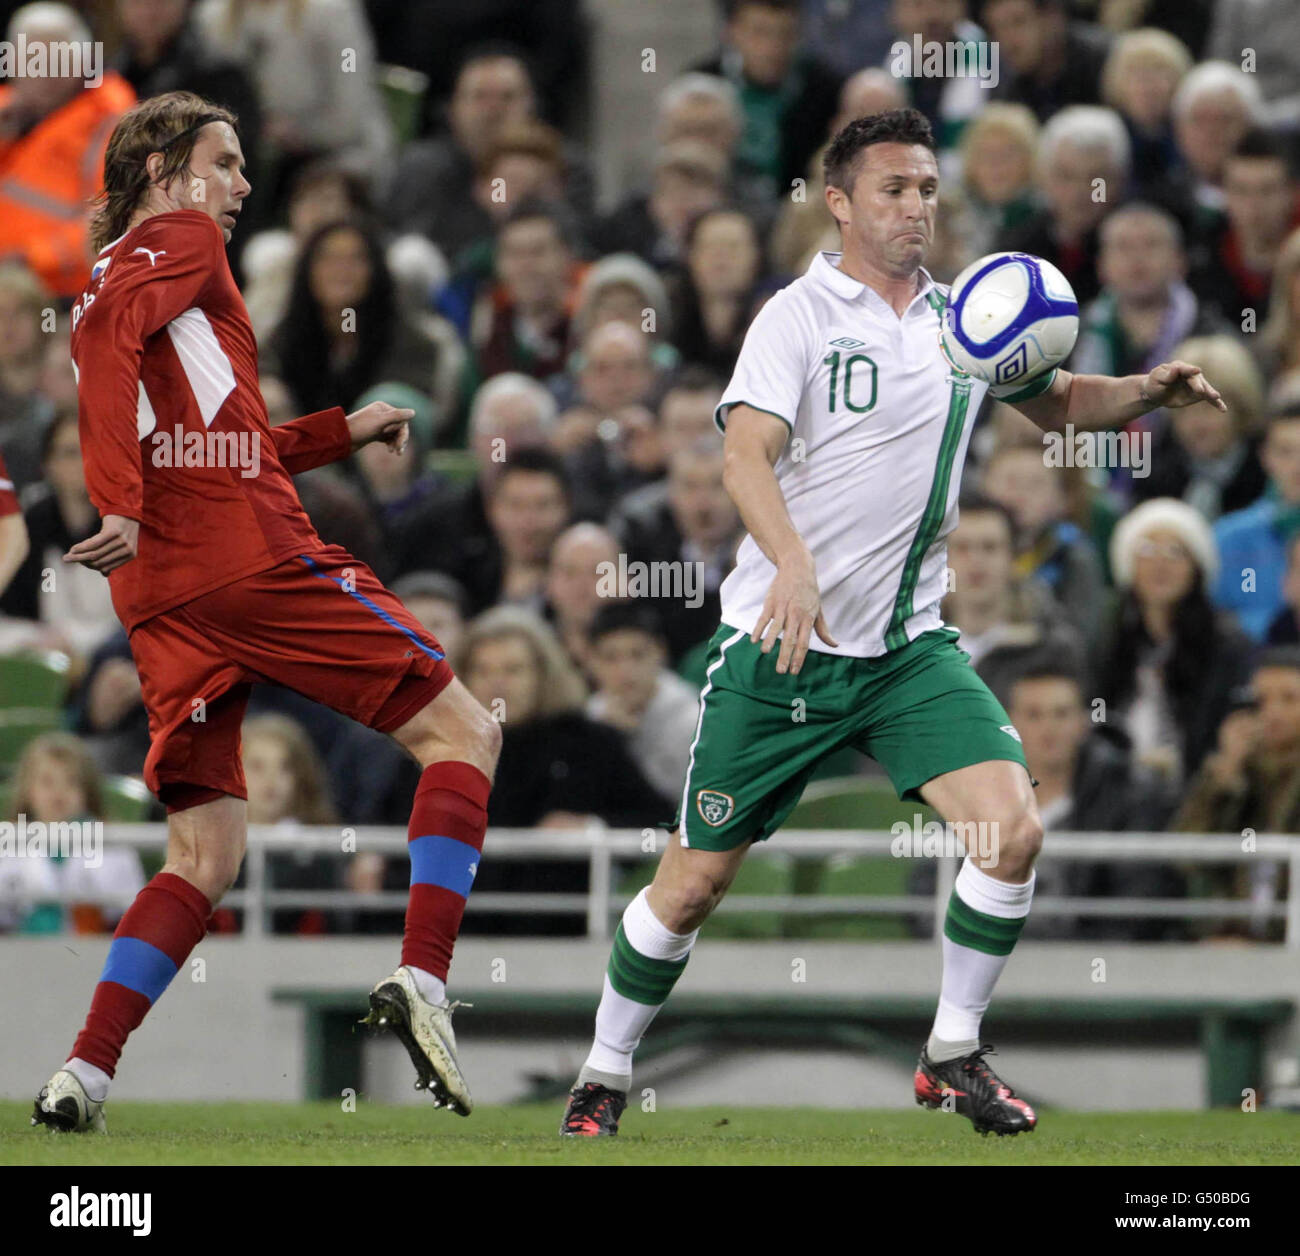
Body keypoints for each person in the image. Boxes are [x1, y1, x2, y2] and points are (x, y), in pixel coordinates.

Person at [560, 107, 1224, 1139]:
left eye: (925, 188)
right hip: (784, 650)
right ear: (839, 201)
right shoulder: (797, 316)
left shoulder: (965, 319)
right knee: (691, 884)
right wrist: (790, 563)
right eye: (892, 189)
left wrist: (1145, 390)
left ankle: (950, 1053)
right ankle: (601, 1070)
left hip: (908, 648)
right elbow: (743, 453)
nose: (916, 206)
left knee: (1009, 831)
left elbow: (1052, 402)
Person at [32, 91, 501, 1135]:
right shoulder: (179, 239)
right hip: (243, 557)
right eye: (226, 162)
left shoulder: (122, 271)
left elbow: (210, 440)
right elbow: (114, 350)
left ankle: (84, 1072)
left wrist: (341, 429)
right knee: (465, 728)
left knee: (204, 854)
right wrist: (111, 493)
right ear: (163, 170)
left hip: (162, 594)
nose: (244, 186)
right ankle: (426, 976)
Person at [1092, 498, 1251, 787]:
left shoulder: (1228, 646)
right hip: (1114, 795)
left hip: (1194, 793)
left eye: (1176, 551)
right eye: (1147, 550)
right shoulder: (1107, 641)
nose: (1160, 563)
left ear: (1197, 567)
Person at [0, 4, 136, 299]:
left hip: (62, 294)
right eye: (33, 59)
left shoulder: (110, 120)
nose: (45, 72)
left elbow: (114, 220)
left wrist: (29, 260)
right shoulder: (7, 111)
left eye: (58, 58)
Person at [1173, 648, 1300, 941]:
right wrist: (1224, 779)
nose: (1272, 712)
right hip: (1231, 940)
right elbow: (1186, 856)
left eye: (1289, 699)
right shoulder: (1235, 771)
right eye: (1261, 700)